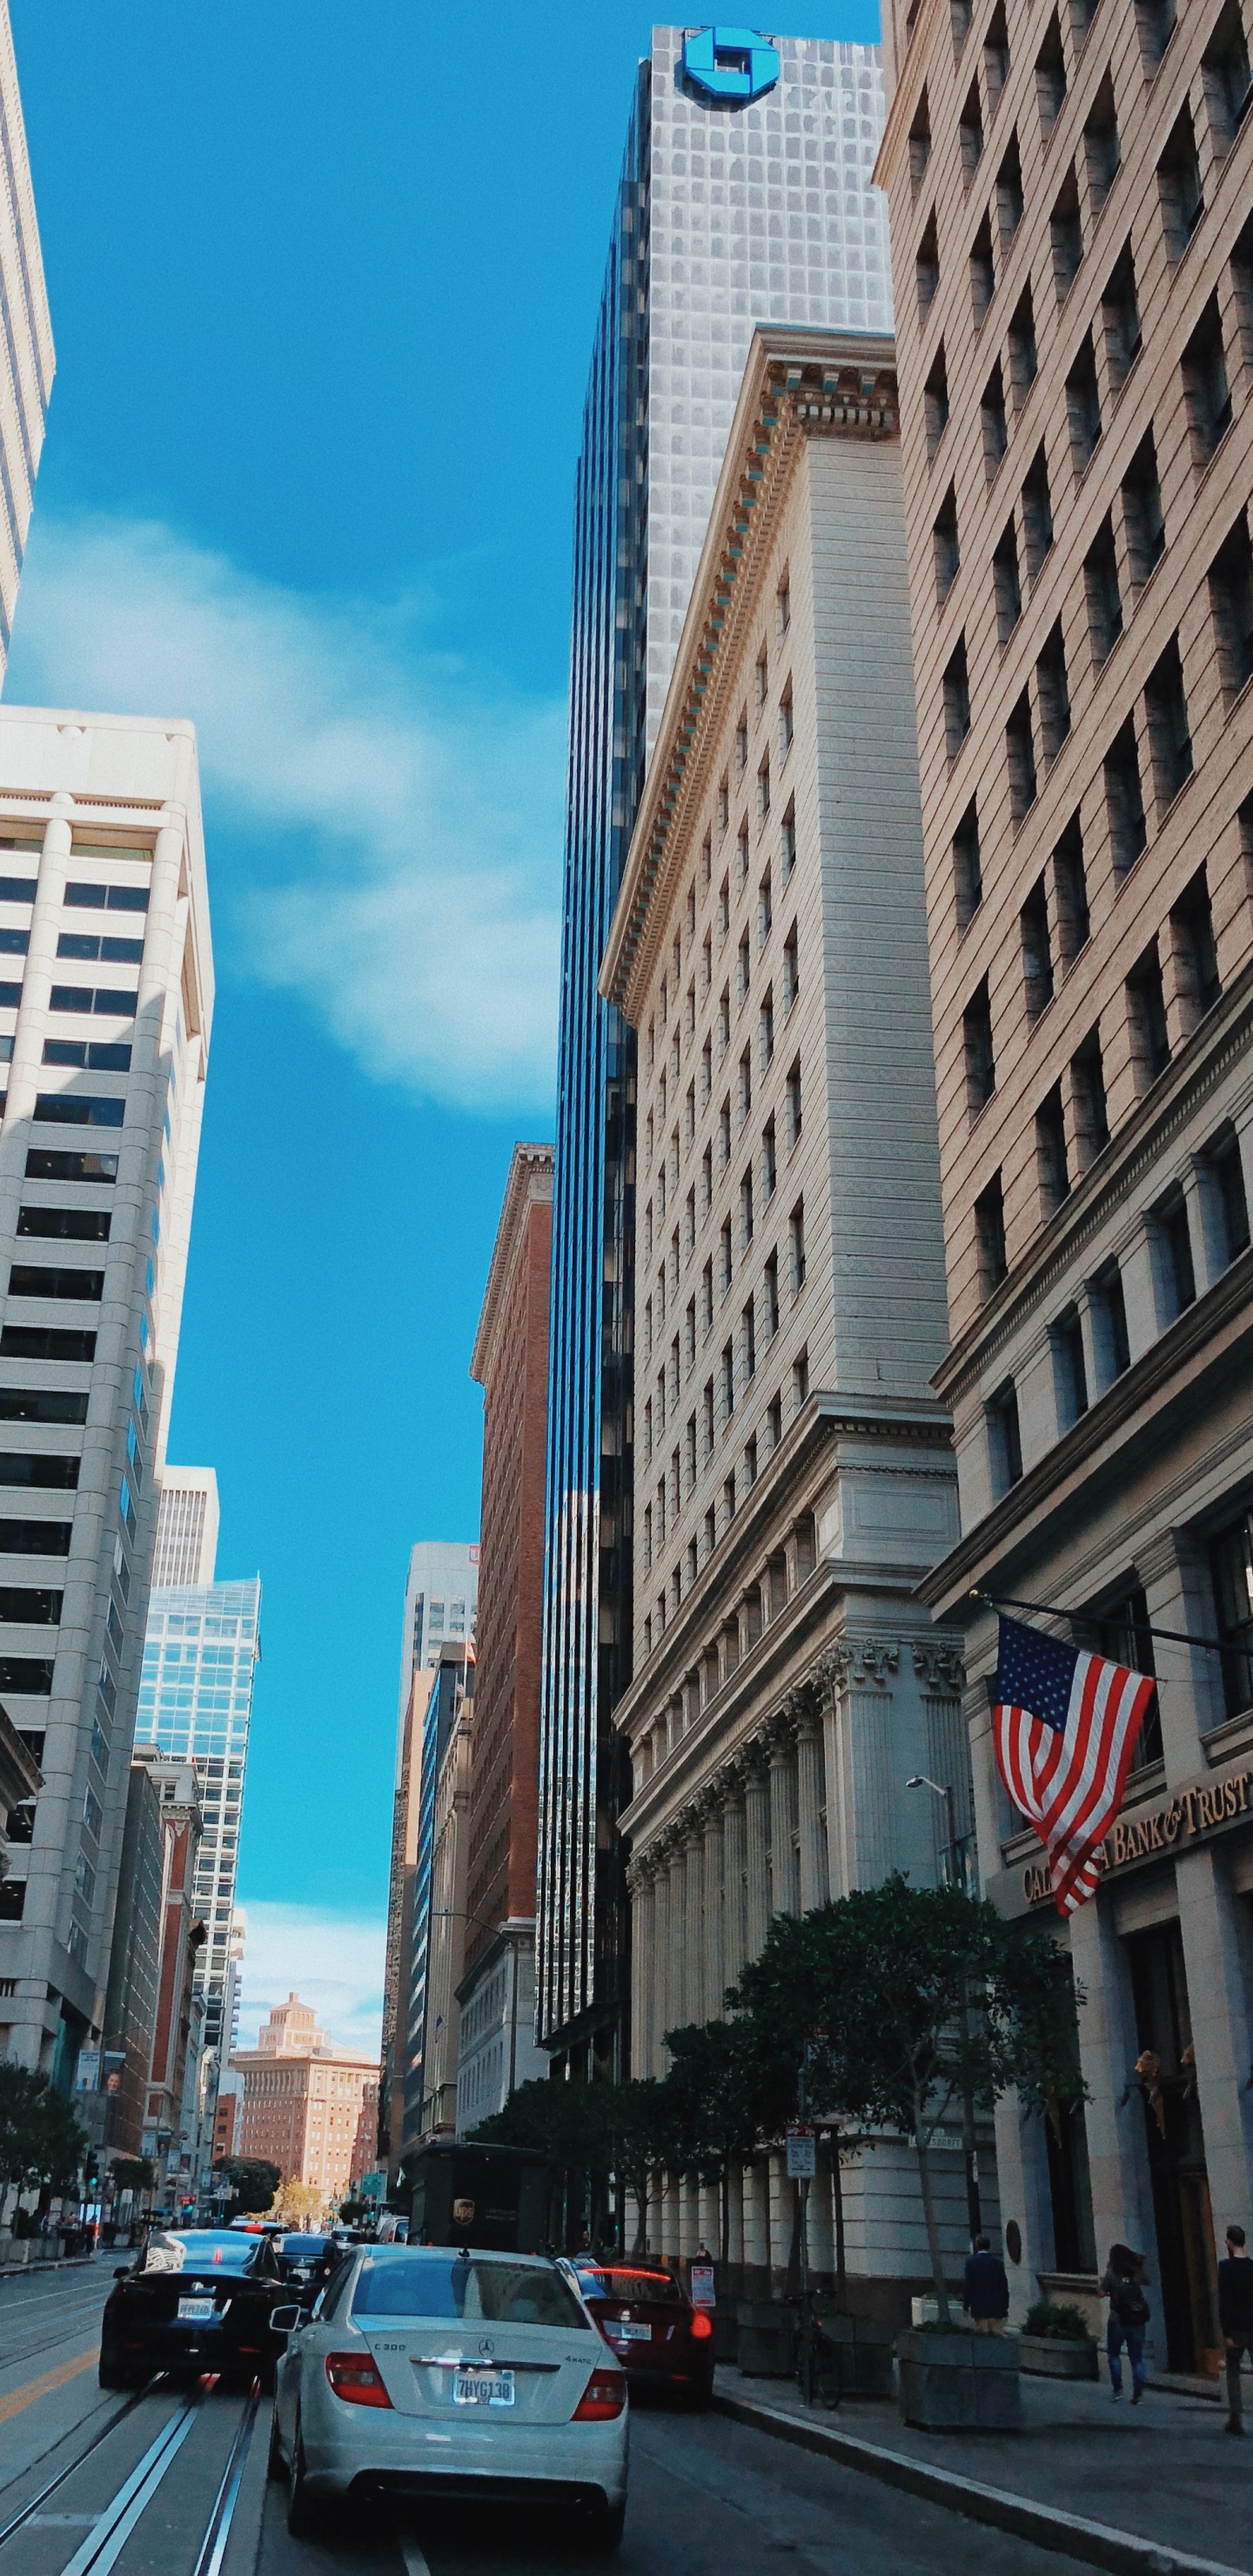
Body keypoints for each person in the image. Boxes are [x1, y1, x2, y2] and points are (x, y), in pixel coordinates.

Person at [1102, 2244, 1150, 2403]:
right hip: (1136, 2319)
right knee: (1137, 2358)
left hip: (1117, 2320)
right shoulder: (1135, 2272)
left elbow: (1100, 2293)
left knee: (1114, 2354)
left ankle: (1118, 2390)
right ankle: (1139, 2394)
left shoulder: (1112, 2274)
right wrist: (1139, 2265)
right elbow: (1147, 2281)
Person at [1219, 2224, 1253, 2436]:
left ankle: (1236, 2418)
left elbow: (1226, 2301)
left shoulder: (1226, 2267)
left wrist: (1227, 2331)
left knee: (1233, 2371)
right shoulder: (1252, 2267)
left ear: (1229, 2243)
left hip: (1237, 2327)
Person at [962, 2232, 1009, 2333]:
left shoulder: (971, 2263)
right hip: (996, 2307)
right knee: (997, 2333)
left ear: (977, 2245)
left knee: (982, 2334)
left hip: (979, 2307)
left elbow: (968, 2285)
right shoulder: (997, 2263)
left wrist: (966, 2306)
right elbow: (1003, 2285)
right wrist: (1005, 2306)